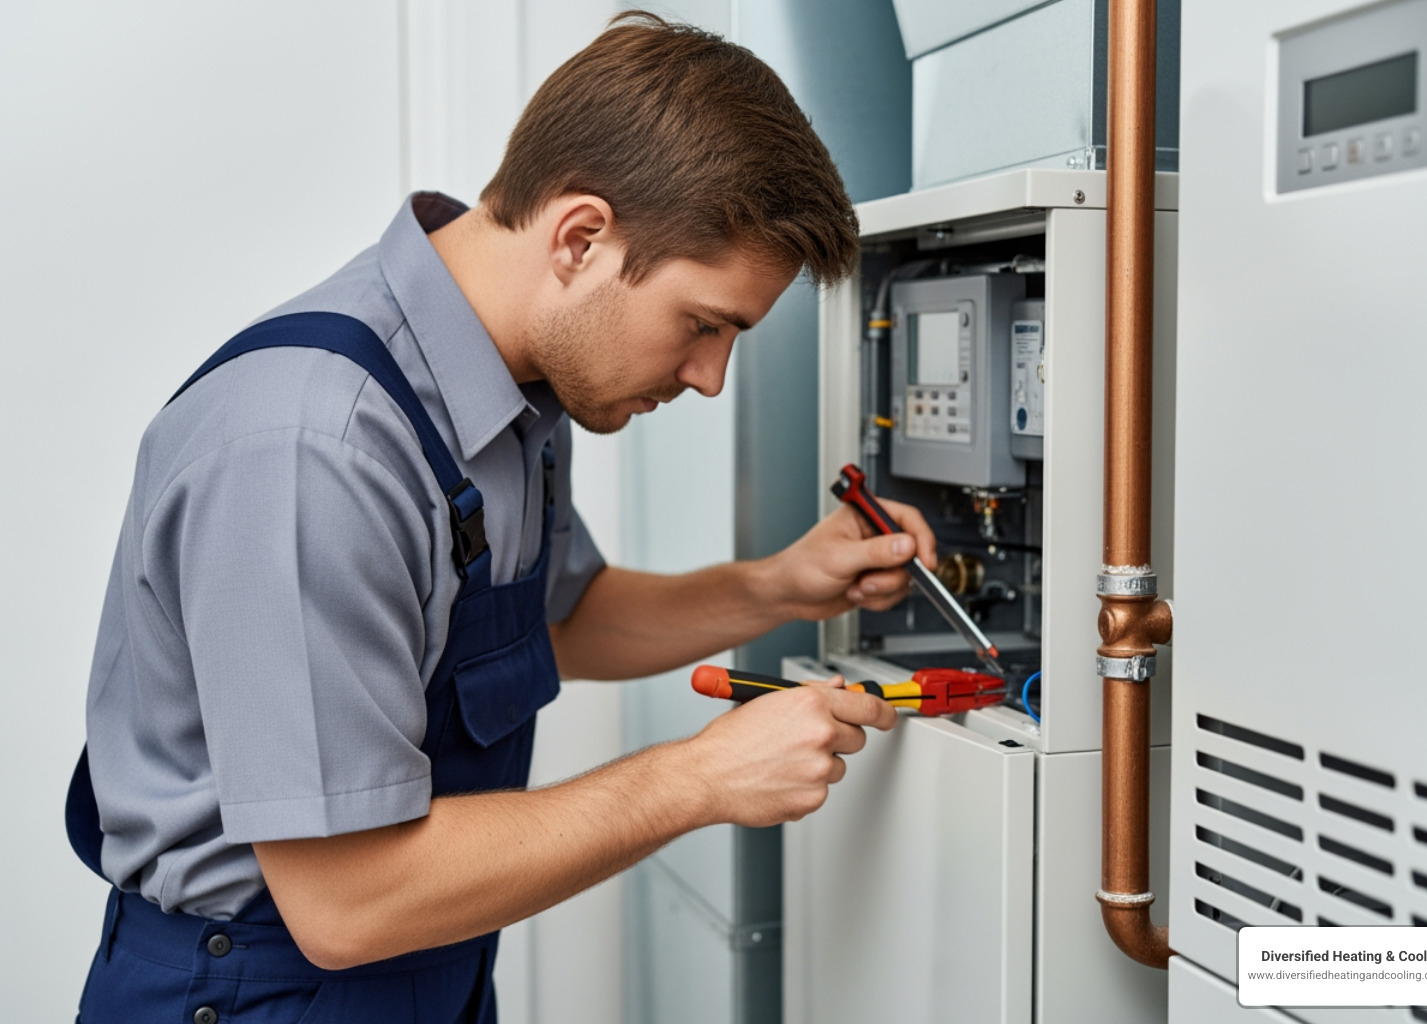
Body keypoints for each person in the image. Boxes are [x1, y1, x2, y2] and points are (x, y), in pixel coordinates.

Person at [66, 12, 936, 1023]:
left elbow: (559, 622)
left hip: (425, 969)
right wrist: (697, 778)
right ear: (580, 238)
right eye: (702, 325)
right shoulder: (317, 447)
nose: (709, 377)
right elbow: (348, 900)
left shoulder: (518, 391)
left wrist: (780, 585)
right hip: (260, 988)